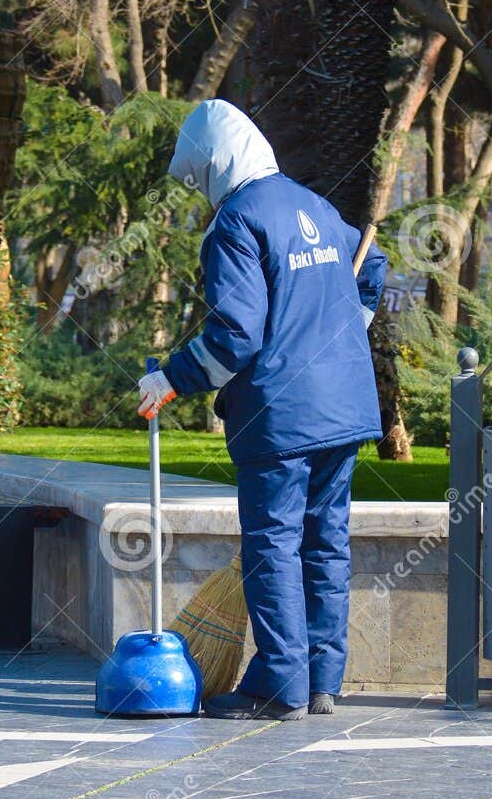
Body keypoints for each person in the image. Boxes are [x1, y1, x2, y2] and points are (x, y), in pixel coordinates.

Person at [137, 100, 386, 720]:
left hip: (282, 418)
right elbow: (373, 265)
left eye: (199, 180)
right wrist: (345, 333)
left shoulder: (236, 223)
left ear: (216, 164)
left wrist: (172, 377)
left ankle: (280, 686)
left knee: (273, 544)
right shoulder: (317, 207)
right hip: (346, 406)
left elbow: (237, 335)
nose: (201, 195)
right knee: (326, 544)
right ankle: (323, 679)